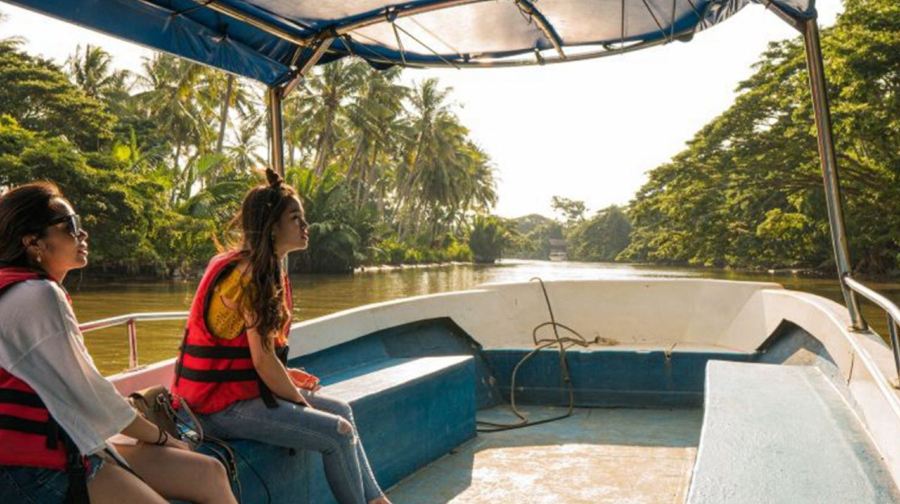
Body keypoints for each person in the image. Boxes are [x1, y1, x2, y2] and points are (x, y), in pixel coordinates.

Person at [0, 181, 237, 504]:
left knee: (208, 473)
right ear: (33, 242)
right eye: (70, 225)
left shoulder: (20, 290)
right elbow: (92, 397)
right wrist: (162, 438)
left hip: (59, 442)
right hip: (28, 468)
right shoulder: (39, 296)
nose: (82, 234)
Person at [171, 169, 391, 504]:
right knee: (337, 431)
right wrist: (302, 405)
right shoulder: (250, 278)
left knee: (342, 410)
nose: (305, 225)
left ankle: (379, 502)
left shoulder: (260, 267)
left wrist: (286, 376)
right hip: (215, 410)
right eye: (295, 218)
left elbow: (256, 357)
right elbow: (263, 362)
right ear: (273, 227)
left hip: (234, 397)